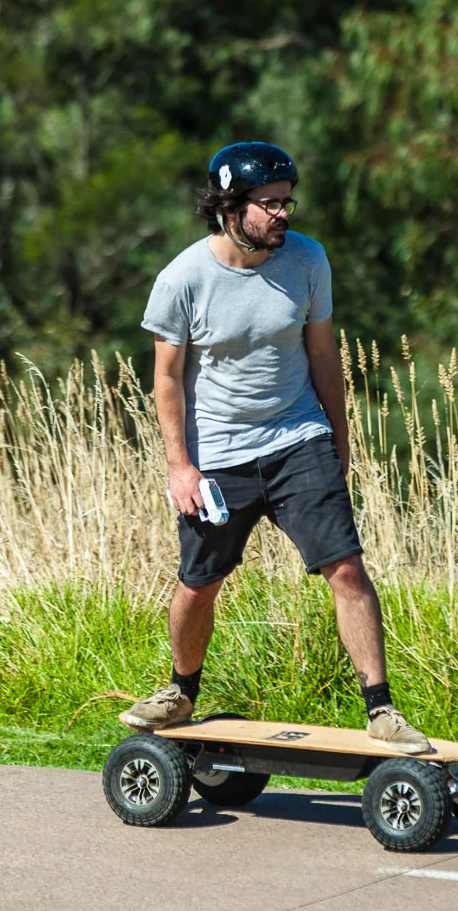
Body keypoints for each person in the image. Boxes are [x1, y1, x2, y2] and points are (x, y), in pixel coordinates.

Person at [119, 142, 432, 753]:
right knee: (197, 583)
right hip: (219, 455)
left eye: (287, 201)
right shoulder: (183, 279)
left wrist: (338, 442)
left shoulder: (308, 261)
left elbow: (322, 356)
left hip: (297, 436)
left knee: (345, 566)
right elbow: (165, 380)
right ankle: (181, 690)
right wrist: (180, 468)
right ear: (229, 208)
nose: (283, 214)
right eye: (269, 204)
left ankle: (382, 708)